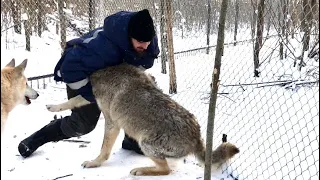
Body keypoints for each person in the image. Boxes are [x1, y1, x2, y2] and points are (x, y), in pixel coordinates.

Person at [18, 9, 160, 158]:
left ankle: (132, 140)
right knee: (83, 123)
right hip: (81, 73)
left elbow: (145, 61)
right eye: (140, 42)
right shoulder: (100, 48)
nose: (144, 46)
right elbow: (68, 68)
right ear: (129, 36)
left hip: (113, 76)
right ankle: (39, 138)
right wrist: (92, 94)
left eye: (147, 42)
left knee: (135, 97)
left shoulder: (147, 42)